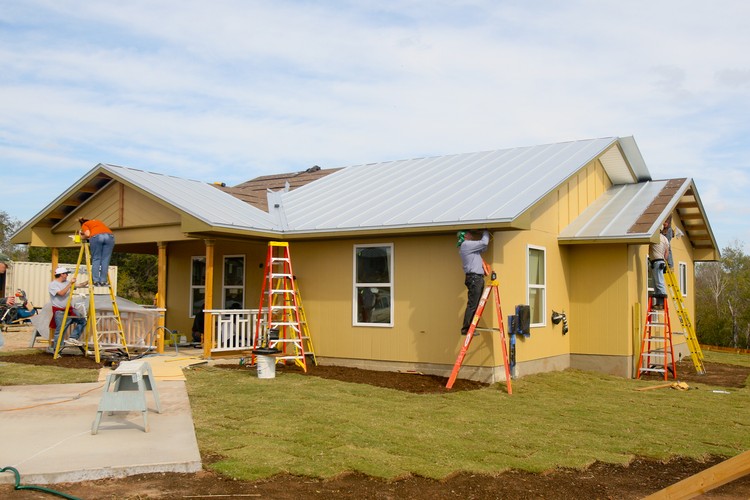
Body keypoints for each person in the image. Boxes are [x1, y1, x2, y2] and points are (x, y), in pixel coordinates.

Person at [458, 229, 490, 335]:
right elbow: (484, 242)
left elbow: (484, 247)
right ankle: (466, 329)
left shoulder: (471, 248)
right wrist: (485, 232)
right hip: (474, 278)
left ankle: (471, 327)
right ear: (465, 236)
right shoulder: (466, 245)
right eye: (469, 233)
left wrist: (484, 237)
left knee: (476, 304)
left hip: (477, 278)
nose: (471, 234)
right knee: (473, 304)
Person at [48, 266, 87, 353]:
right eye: (66, 274)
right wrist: (70, 284)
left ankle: (73, 337)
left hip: (69, 309)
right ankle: (57, 350)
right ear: (61, 274)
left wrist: (89, 280)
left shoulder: (67, 282)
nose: (67, 275)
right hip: (60, 311)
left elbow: (80, 285)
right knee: (60, 330)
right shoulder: (53, 285)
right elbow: (61, 293)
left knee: (82, 321)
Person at [78, 217, 115, 286]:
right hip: (110, 236)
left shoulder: (84, 225)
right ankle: (103, 281)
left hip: (97, 237)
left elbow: (88, 234)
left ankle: (95, 280)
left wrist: (81, 236)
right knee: (105, 260)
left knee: (96, 259)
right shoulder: (97, 222)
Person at [649, 227, 670, 310]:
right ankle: (659, 303)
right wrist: (664, 260)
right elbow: (667, 252)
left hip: (657, 262)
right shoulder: (665, 239)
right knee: (656, 284)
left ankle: (662, 303)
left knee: (659, 284)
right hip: (660, 261)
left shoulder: (655, 236)